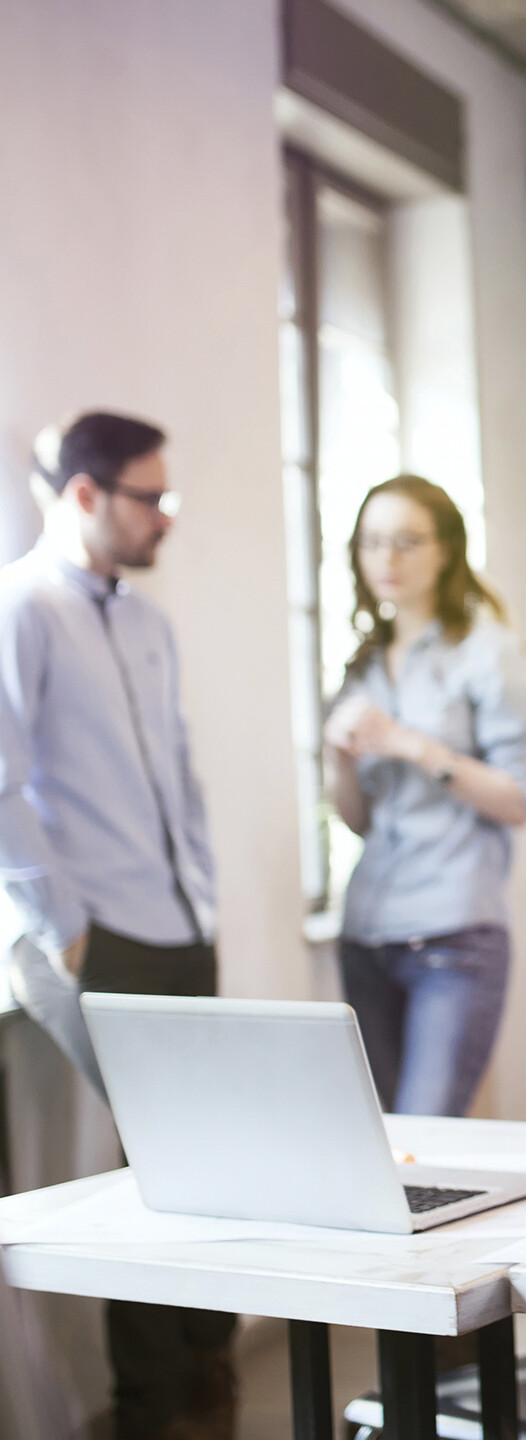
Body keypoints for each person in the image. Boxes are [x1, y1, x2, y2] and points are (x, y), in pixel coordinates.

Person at [0, 412, 232, 1440]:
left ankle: (209, 1376)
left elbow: (177, 766)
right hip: (101, 933)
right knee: (161, 1169)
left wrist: (207, 891)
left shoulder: (148, 621)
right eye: (151, 498)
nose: (165, 518)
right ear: (85, 494)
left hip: (181, 919)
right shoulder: (22, 608)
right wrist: (61, 922)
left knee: (211, 1156)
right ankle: (150, 1408)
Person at [324, 475, 526, 1118]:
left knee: (428, 1140)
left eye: (407, 541)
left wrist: (412, 745)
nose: (386, 559)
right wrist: (338, 759)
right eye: (373, 543)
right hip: (365, 933)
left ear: (445, 549)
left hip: (454, 937)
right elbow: (358, 820)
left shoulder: (490, 653)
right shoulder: (360, 665)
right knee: (379, 1145)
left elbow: (518, 800)